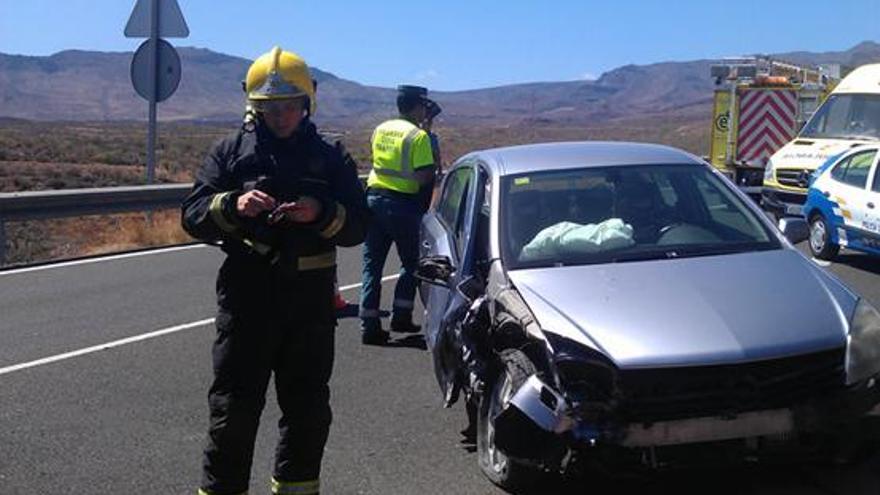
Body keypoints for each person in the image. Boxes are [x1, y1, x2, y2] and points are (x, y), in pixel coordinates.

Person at [181, 46, 369, 495]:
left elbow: (359, 226)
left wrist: (321, 212)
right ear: (254, 106)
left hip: (308, 311)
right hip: (247, 305)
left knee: (307, 413)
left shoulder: (331, 158)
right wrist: (233, 204)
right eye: (270, 108)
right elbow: (191, 214)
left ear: (306, 105)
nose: (280, 116)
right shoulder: (230, 153)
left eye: (288, 107)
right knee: (233, 414)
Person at [359, 85, 438, 344]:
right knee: (413, 263)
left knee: (372, 264)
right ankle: (401, 315)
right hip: (402, 204)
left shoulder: (380, 129)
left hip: (373, 198)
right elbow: (426, 174)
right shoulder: (418, 136)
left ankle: (368, 324)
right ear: (417, 106)